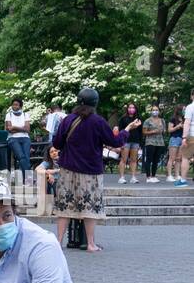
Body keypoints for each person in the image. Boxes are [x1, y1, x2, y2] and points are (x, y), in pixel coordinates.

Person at [49, 87, 127, 252]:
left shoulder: (68, 119)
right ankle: (91, 244)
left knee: (64, 206)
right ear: (95, 103)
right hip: (90, 171)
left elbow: (56, 143)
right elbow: (115, 142)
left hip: (67, 169)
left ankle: (58, 241)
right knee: (89, 207)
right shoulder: (98, 121)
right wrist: (126, 131)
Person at [2, 97, 32, 187]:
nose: (14, 106)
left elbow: (27, 129)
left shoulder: (25, 114)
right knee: (21, 157)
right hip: (13, 139)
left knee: (26, 157)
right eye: (13, 104)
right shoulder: (9, 115)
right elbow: (9, 130)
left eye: (16, 105)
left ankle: (25, 181)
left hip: (25, 138)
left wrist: (14, 127)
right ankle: (28, 179)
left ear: (20, 106)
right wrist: (21, 129)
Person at [116, 102, 143, 184]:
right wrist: (121, 143)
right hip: (125, 141)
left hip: (135, 141)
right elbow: (121, 131)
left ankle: (133, 177)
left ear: (135, 109)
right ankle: (121, 177)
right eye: (130, 107)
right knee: (123, 159)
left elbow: (140, 132)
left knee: (134, 160)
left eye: (133, 108)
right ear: (127, 109)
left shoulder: (138, 119)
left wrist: (140, 143)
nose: (131, 109)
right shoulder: (123, 118)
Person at [142, 105, 167, 182]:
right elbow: (144, 132)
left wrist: (163, 131)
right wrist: (153, 131)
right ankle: (148, 177)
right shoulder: (147, 120)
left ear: (159, 111)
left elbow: (165, 130)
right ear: (151, 111)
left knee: (156, 160)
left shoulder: (162, 120)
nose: (155, 111)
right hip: (150, 142)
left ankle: (153, 176)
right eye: (153, 110)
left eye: (156, 110)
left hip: (160, 142)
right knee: (149, 159)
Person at [178, 88, 194, 187]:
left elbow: (187, 122)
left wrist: (184, 137)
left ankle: (183, 181)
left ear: (192, 95)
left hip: (192, 135)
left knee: (185, 157)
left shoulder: (190, 107)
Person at [166, 107, 184, 182]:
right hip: (174, 138)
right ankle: (169, 175)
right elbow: (169, 130)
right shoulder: (173, 119)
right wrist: (177, 126)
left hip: (182, 139)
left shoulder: (185, 119)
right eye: (183, 109)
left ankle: (177, 175)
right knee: (172, 158)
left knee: (179, 159)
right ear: (179, 110)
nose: (185, 111)